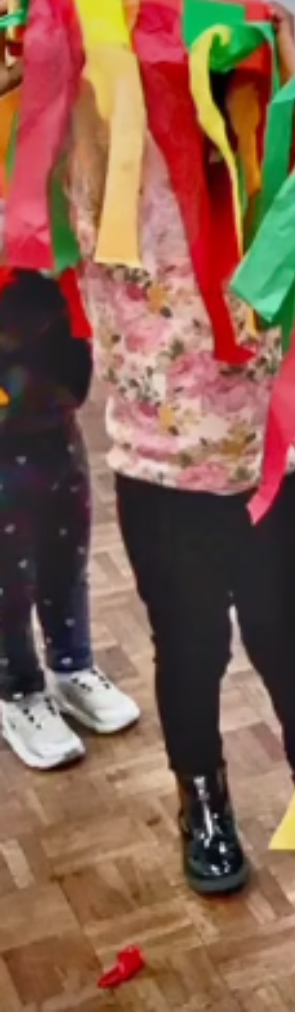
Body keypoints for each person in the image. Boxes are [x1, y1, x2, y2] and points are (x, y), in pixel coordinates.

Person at [0, 0, 295, 893]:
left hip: (265, 467)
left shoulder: (272, 173)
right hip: (157, 473)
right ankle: (205, 802)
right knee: (188, 650)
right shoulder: (94, 169)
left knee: (284, 639)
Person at [0, 265, 140, 770]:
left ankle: (72, 663)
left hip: (54, 396)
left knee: (66, 545)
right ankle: (17, 690)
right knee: (7, 572)